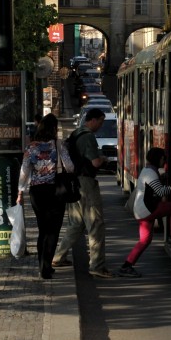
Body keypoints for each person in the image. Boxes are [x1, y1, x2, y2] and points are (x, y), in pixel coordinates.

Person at [52, 108, 111, 278]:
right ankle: (97, 266)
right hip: (86, 183)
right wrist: (104, 159)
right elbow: (95, 162)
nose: (101, 125)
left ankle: (58, 257)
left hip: (73, 182)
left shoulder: (76, 133)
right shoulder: (88, 136)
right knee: (96, 224)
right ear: (93, 120)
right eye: (101, 121)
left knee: (76, 223)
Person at [17, 114, 74, 280]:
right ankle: (46, 266)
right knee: (53, 230)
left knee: (42, 229)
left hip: (37, 192)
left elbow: (24, 171)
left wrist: (20, 191)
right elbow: (69, 166)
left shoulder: (31, 147)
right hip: (55, 191)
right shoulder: (58, 145)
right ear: (54, 128)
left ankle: (42, 264)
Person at [118, 147, 171, 278]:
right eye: (163, 159)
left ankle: (126, 266)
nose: (164, 161)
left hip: (141, 210)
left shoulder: (148, 170)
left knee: (144, 240)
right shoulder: (150, 173)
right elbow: (160, 191)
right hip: (147, 210)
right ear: (159, 159)